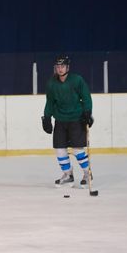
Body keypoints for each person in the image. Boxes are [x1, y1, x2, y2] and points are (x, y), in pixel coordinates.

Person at [41, 54, 94, 187]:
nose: (60, 69)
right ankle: (68, 175)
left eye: (63, 66)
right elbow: (50, 102)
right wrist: (47, 117)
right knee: (60, 149)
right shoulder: (51, 83)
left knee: (77, 149)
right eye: (58, 66)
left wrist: (87, 112)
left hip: (76, 119)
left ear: (67, 67)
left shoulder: (77, 80)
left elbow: (86, 97)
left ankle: (87, 174)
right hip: (60, 119)